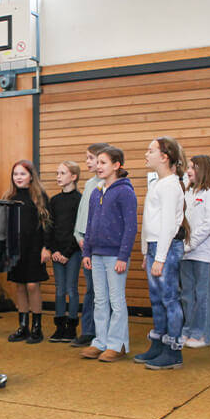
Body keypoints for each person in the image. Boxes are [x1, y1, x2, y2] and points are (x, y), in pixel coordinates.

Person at [134, 137, 188, 370]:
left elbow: (168, 225)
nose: (146, 155)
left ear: (164, 157)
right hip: (156, 247)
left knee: (169, 299)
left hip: (166, 248)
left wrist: (160, 257)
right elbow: (150, 221)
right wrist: (147, 252)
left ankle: (173, 351)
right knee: (157, 300)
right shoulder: (158, 183)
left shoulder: (171, 185)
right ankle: (158, 344)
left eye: (150, 151)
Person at [81, 146, 138, 362]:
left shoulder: (125, 191)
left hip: (115, 255)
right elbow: (89, 222)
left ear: (117, 165)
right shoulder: (97, 192)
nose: (98, 166)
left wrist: (123, 256)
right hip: (96, 254)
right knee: (100, 299)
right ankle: (100, 341)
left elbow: (130, 227)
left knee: (116, 300)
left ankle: (118, 343)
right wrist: (87, 250)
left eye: (103, 162)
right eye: (98, 162)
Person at [2, 159, 51, 345]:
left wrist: (46, 247)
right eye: (15, 174)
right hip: (16, 248)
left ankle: (37, 326)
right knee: (20, 286)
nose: (18, 177)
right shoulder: (9, 197)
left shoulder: (40, 196)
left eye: (22, 174)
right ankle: (23, 325)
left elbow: (47, 224)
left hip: (35, 248)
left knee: (32, 285)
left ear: (31, 176)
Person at [180, 155, 210, 349]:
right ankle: (187, 329)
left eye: (193, 167)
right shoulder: (188, 192)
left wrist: (190, 243)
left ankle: (202, 334)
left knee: (201, 294)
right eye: (188, 167)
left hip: (202, 252)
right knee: (187, 293)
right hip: (186, 252)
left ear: (204, 170)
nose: (189, 171)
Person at [71, 142, 108, 347]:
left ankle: (101, 331)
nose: (88, 162)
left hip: (98, 244)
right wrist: (78, 235)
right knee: (91, 290)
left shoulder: (107, 184)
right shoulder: (89, 184)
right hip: (85, 242)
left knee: (100, 291)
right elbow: (82, 214)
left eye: (91, 158)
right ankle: (88, 330)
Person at [47, 161, 82, 343]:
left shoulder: (80, 200)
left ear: (73, 177)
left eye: (62, 173)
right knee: (59, 290)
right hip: (57, 252)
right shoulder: (54, 200)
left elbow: (79, 228)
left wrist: (67, 253)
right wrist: (53, 250)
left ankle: (71, 326)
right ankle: (59, 326)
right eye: (57, 173)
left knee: (71, 288)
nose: (58, 177)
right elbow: (51, 226)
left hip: (73, 252)